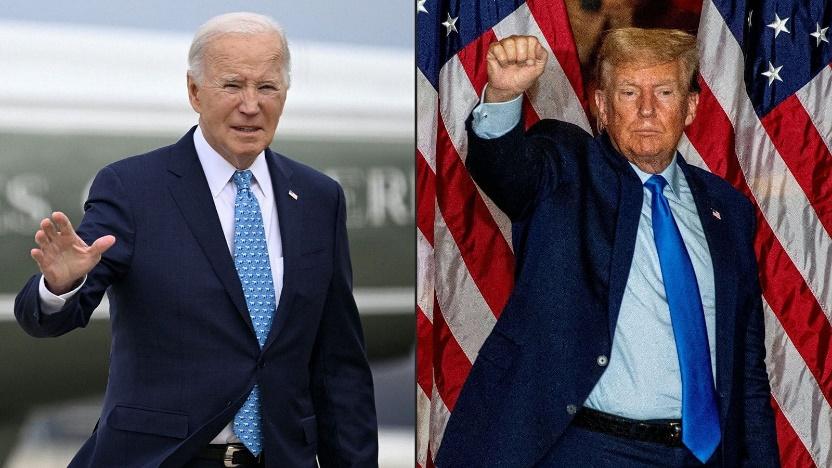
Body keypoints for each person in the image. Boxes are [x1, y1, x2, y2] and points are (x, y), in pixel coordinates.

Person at [14, 12, 377, 468]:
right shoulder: (133, 188)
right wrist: (59, 287)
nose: (251, 105)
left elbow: (338, 365)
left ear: (285, 94)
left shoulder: (319, 198)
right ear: (194, 92)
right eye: (232, 86)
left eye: (267, 87)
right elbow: (45, 320)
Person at [435, 29, 779, 467]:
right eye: (630, 92)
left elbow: (747, 368)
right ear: (602, 106)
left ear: (690, 107)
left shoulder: (728, 210)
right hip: (587, 449)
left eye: (666, 91)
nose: (648, 109)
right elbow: (507, 170)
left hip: (702, 456)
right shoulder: (566, 170)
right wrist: (503, 95)